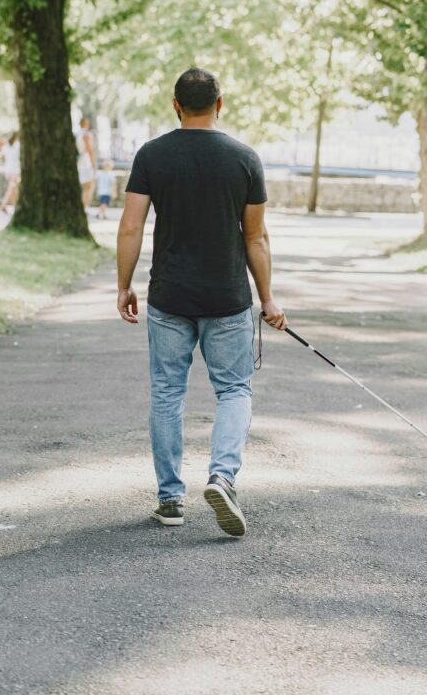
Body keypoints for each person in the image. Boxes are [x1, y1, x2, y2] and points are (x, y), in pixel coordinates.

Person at [116, 68, 287, 538]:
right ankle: (222, 477)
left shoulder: (152, 155)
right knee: (233, 390)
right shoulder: (244, 158)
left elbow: (131, 226)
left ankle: (170, 500)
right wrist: (268, 298)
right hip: (227, 297)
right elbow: (256, 236)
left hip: (170, 294)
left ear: (175, 104)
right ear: (220, 103)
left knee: (168, 393)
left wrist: (123, 285)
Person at [75, 117, 96, 209]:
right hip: (86, 161)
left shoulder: (77, 134)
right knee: (89, 186)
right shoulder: (86, 134)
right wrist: (94, 164)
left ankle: (84, 207)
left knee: (85, 186)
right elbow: (90, 150)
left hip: (80, 160)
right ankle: (86, 206)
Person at [0, 131, 20, 214]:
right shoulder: (18, 146)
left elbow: (3, 158)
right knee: (12, 188)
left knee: (14, 189)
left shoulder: (5, 147)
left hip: (8, 169)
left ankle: (15, 206)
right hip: (15, 170)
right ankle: (3, 205)